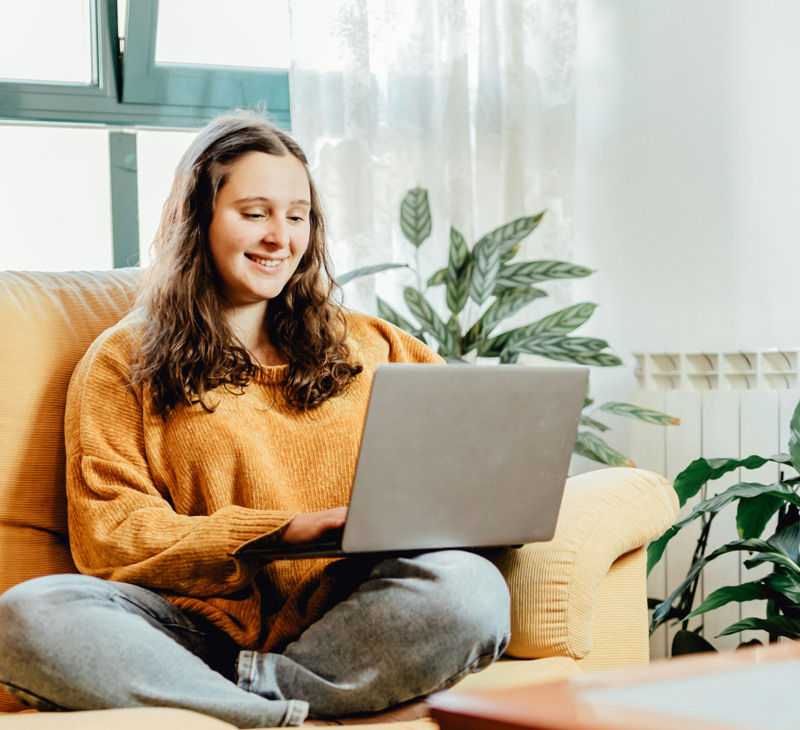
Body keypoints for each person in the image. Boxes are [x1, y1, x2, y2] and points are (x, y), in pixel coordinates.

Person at [0, 110, 511, 729]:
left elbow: (475, 460)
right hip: (188, 633)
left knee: (470, 589)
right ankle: (272, 714)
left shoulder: (376, 346)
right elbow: (111, 535)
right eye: (255, 212)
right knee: (30, 613)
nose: (280, 237)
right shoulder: (123, 360)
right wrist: (278, 532)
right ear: (199, 219)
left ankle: (250, 706)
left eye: (297, 216)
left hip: (347, 618)